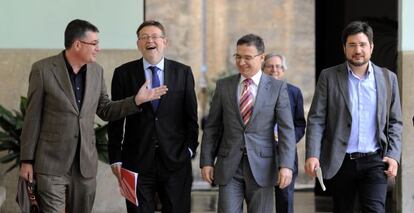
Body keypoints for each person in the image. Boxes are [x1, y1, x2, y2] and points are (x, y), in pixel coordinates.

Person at [19, 19, 167, 213]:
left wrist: (136, 101)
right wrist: (26, 161)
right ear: (78, 44)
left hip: (84, 166)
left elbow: (105, 110)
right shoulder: (43, 70)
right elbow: (33, 117)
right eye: (94, 43)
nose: (98, 48)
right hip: (51, 163)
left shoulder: (97, 72)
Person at [305, 21, 402, 213]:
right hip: (341, 161)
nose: (358, 50)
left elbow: (395, 122)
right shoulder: (329, 77)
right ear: (344, 48)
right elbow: (316, 119)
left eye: (362, 44)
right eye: (352, 45)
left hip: (375, 160)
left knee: (375, 210)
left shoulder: (387, 78)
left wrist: (393, 155)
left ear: (371, 47)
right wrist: (313, 154)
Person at [107, 20, 198, 213]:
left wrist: (189, 150)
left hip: (175, 161)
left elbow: (191, 117)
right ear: (138, 44)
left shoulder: (183, 72)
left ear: (165, 42)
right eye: (144, 37)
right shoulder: (123, 73)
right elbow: (116, 119)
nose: (150, 40)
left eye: (155, 36)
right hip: (136, 161)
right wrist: (115, 157)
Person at [200, 34, 296, 213]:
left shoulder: (277, 88)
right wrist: (206, 161)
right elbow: (212, 127)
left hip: (263, 167)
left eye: (247, 57)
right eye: (238, 56)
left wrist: (286, 166)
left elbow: (286, 131)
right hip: (229, 166)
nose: (241, 62)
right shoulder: (224, 86)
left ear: (261, 57)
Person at [263, 53, 306, 213]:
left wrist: (286, 140)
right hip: (261, 153)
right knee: (261, 200)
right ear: (263, 69)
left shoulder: (294, 92)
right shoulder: (256, 91)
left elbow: (300, 124)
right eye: (270, 66)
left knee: (285, 199)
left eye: (278, 66)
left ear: (283, 70)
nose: (274, 70)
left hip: (285, 155)